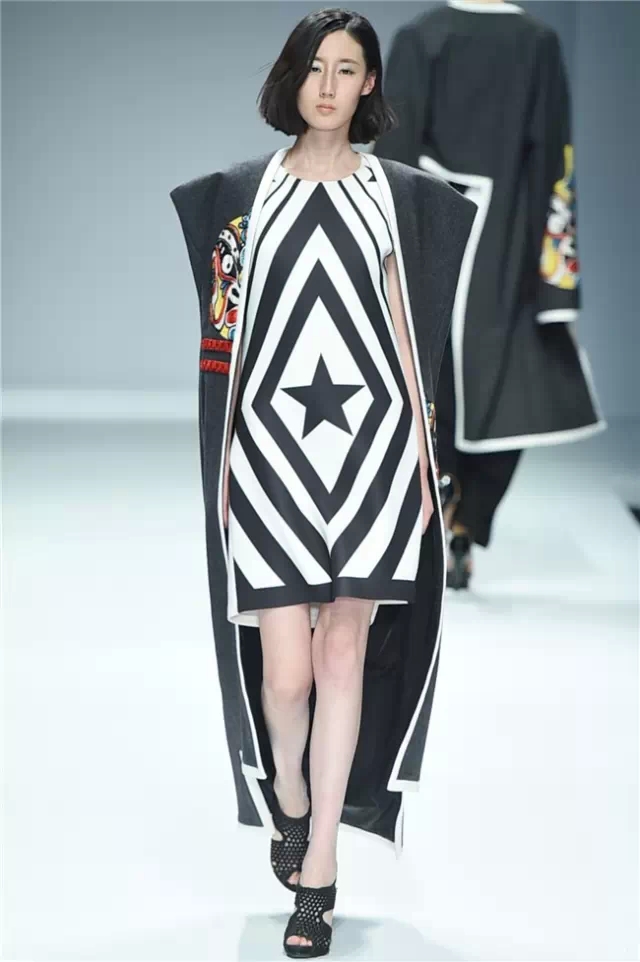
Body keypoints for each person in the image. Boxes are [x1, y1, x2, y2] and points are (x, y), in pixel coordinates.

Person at [170, 8, 475, 957]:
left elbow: (412, 336)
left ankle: (322, 869)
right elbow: (225, 338)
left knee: (342, 656)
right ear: (292, 78)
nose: (330, 86)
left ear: (370, 83)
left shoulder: (395, 197)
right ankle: (292, 799)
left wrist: (424, 462)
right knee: (286, 675)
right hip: (269, 450)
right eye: (315, 67)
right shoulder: (244, 197)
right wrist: (220, 459)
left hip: (374, 449)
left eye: (348, 69)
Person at [374, 0, 606, 589]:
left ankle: (443, 498)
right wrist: (554, 271)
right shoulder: (538, 42)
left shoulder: (423, 35)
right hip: (513, 231)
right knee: (511, 379)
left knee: (431, 374)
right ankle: (469, 518)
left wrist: (385, 250)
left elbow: (394, 154)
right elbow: (555, 155)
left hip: (435, 225)